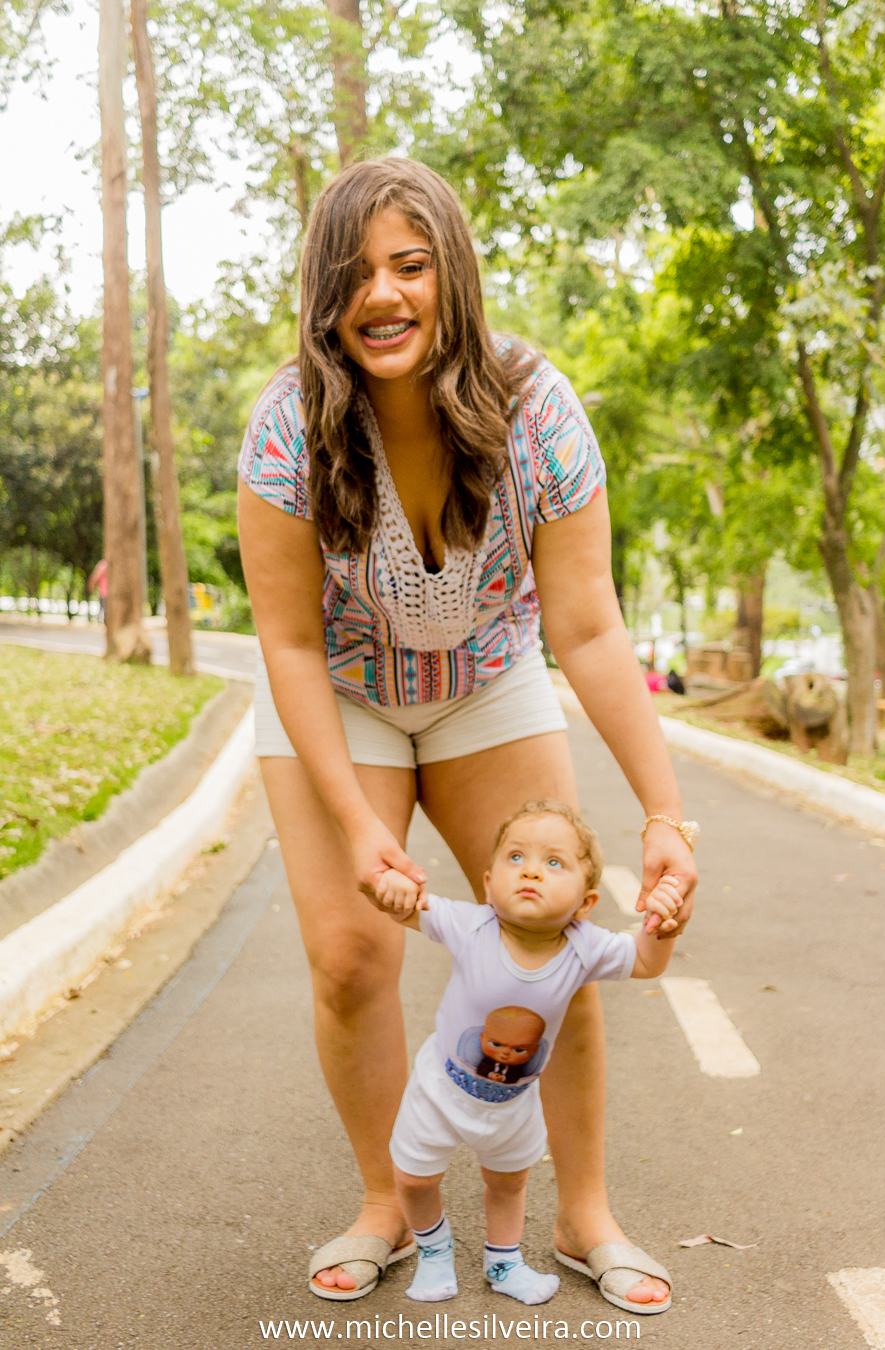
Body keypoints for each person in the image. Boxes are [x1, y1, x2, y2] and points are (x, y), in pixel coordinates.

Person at [237, 156, 698, 1308]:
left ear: (454, 275)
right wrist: (355, 823)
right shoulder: (288, 427)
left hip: (489, 680)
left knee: (553, 942)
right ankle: (388, 1206)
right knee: (353, 957)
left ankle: (585, 1214)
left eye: (409, 265)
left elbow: (588, 629)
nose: (381, 296)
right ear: (322, 295)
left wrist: (663, 816)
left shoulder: (537, 409)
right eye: (353, 274)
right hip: (340, 690)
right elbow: (289, 645)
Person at [370, 800, 681, 1312]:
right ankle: (433, 1250)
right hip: (439, 1088)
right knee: (413, 1176)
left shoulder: (584, 947)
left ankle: (504, 1261)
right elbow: (407, 907)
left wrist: (663, 926)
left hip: (514, 1105)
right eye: (517, 858)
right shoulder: (470, 925)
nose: (532, 869)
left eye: (555, 863)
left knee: (509, 1183)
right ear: (489, 882)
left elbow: (645, 962)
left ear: (586, 902)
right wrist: (395, 891)